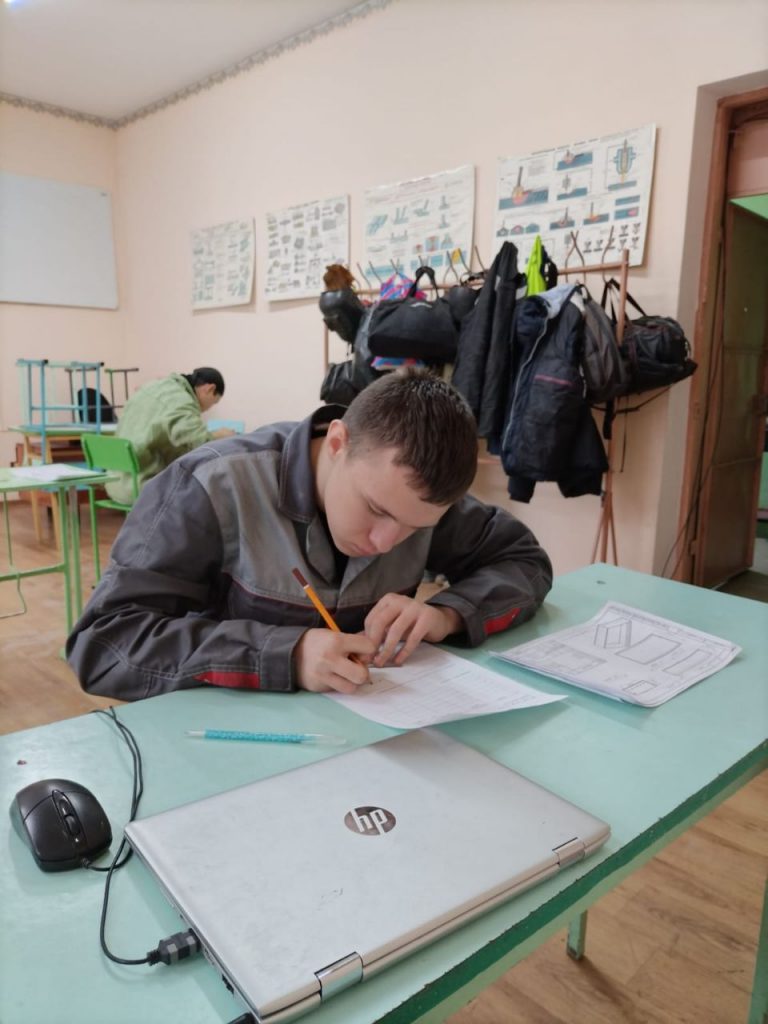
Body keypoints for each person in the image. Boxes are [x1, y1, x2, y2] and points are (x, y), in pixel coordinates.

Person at [67, 368, 553, 700]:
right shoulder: (209, 487)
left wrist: (445, 614)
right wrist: (286, 653)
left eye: (416, 529)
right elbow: (103, 645)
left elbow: (525, 561)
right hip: (225, 748)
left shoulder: (417, 499)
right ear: (338, 442)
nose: (386, 542)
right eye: (376, 510)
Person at [104, 367, 235, 504]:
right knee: (207, 492)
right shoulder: (181, 400)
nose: (208, 408)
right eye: (214, 402)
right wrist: (220, 435)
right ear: (209, 389)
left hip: (114, 481)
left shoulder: (154, 387)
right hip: (141, 487)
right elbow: (199, 442)